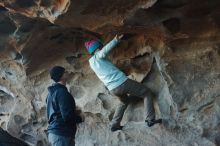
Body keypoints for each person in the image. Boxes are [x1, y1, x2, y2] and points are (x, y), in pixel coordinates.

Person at [85, 35, 162, 132]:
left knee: (123, 102)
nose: (101, 48)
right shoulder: (99, 56)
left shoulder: (92, 63)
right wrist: (115, 40)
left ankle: (114, 124)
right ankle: (150, 120)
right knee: (147, 93)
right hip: (122, 83)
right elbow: (103, 52)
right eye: (100, 47)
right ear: (97, 48)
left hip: (112, 89)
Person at [46, 66, 82, 146]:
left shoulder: (50, 94)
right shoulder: (62, 92)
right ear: (61, 75)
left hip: (54, 133)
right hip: (62, 134)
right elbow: (67, 116)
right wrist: (80, 118)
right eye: (65, 72)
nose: (68, 72)